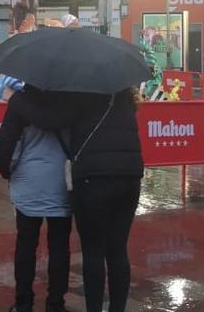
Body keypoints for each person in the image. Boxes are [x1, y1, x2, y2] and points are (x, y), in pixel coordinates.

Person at [18, 87, 144, 312]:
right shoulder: (126, 97)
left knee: (93, 250)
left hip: (93, 178)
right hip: (130, 176)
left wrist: (18, 101)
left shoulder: (83, 92)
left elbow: (50, 120)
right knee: (117, 249)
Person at [0, 86, 72, 312]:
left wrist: (7, 172)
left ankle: (23, 303)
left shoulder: (20, 103)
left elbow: (7, 143)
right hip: (61, 183)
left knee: (26, 244)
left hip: (28, 183)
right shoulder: (72, 101)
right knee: (60, 246)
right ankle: (56, 304)